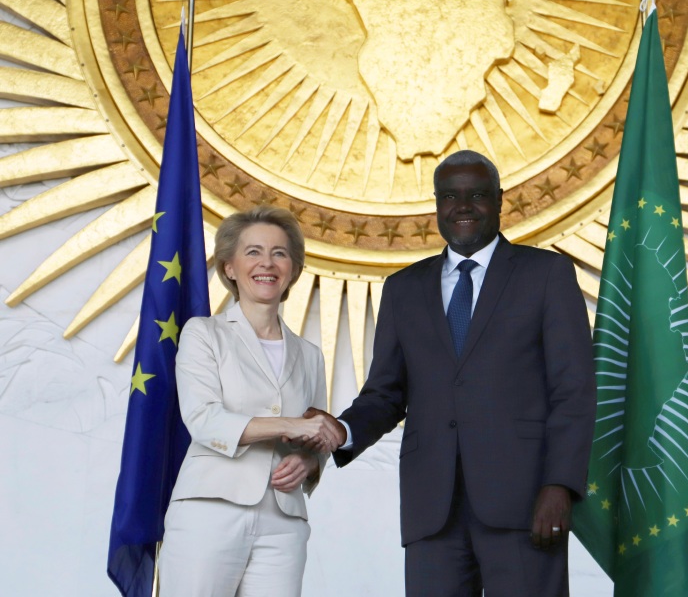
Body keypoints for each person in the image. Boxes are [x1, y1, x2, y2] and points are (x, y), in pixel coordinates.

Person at [312, 150, 597, 595]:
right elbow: (386, 394)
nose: (463, 206)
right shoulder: (404, 289)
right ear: (437, 204)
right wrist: (342, 429)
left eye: (478, 195)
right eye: (450, 196)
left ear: (500, 201)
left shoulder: (546, 274)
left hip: (525, 502)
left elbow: (574, 391)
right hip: (433, 510)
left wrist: (560, 485)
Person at [157, 205, 341, 596]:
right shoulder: (203, 333)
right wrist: (289, 425)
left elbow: (317, 436)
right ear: (229, 267)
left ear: (292, 268)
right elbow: (204, 419)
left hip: (284, 519)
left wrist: (310, 462)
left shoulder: (310, 355)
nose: (267, 263)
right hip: (210, 508)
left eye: (280, 253)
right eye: (253, 251)